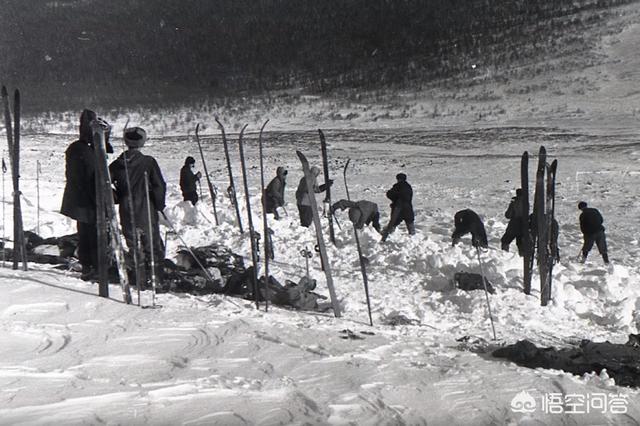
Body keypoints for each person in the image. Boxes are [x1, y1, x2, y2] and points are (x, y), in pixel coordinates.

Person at [109, 127, 167, 285]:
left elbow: (105, 186)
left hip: (127, 211)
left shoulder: (116, 165)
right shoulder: (149, 162)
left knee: (134, 246)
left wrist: (118, 197)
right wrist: (159, 205)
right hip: (146, 209)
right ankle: (157, 281)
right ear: (142, 142)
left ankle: (140, 280)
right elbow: (159, 186)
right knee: (153, 246)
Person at [60, 109, 112, 280]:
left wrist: (105, 136)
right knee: (93, 234)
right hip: (87, 201)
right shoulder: (84, 151)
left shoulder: (79, 148)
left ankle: (90, 266)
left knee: (86, 232)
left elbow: (104, 151)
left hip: (82, 200)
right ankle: (95, 268)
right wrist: (103, 200)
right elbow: (92, 179)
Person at [381, 173, 415, 241]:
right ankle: (413, 238)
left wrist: (391, 196)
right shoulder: (409, 187)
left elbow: (390, 194)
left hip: (398, 208)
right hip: (408, 208)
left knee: (393, 223)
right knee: (409, 223)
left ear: (398, 179)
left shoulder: (397, 186)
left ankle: (385, 238)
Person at [501, 189, 526, 254]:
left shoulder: (514, 202)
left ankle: (504, 256)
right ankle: (522, 258)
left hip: (514, 225)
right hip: (524, 225)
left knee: (505, 241)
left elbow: (508, 215)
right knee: (521, 244)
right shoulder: (526, 202)